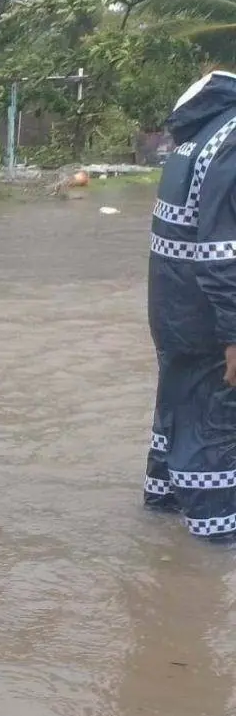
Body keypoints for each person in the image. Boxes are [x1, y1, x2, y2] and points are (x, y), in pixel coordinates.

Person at [145, 67, 236, 540]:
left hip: (175, 310)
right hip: (208, 321)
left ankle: (161, 517)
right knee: (216, 432)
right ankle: (212, 551)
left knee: (178, 412)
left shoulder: (202, 131)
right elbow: (224, 252)